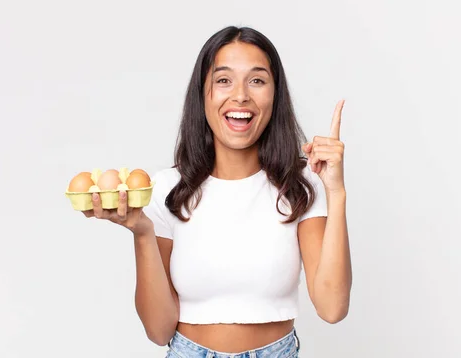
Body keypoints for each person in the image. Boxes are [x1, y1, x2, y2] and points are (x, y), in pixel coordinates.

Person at [82, 26, 352, 357]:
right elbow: (158, 330)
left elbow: (332, 307)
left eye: (257, 80)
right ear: (203, 94)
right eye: (224, 80)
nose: (240, 95)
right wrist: (142, 233)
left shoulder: (301, 185)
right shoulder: (168, 190)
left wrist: (336, 193)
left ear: (275, 95)